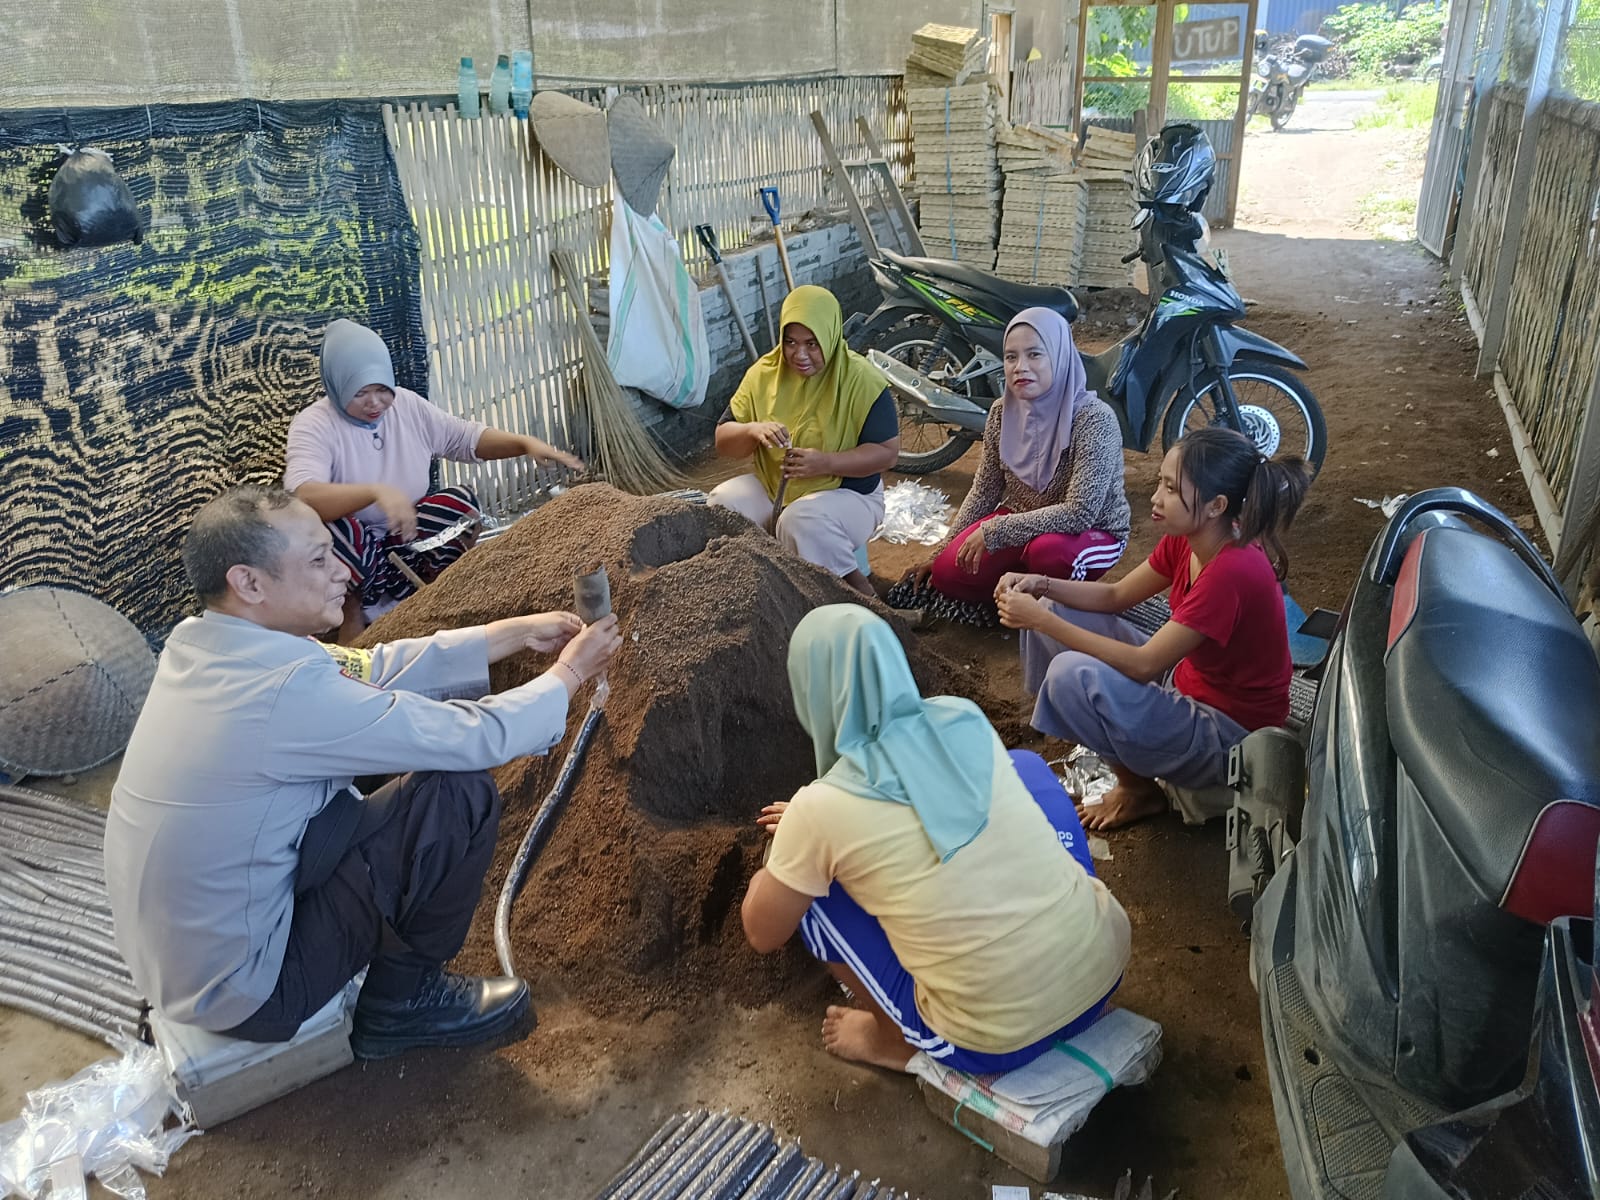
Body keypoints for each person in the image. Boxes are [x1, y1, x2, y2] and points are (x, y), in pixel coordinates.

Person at [103, 486, 622, 1059]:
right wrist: (569, 675)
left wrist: (513, 633)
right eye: (319, 560)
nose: (342, 572)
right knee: (458, 792)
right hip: (254, 991)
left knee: (380, 772)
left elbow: (367, 668)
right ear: (249, 583)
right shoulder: (280, 692)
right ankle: (404, 1003)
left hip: (187, 960)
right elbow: (474, 737)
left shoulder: (212, 646)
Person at [741, 605, 1130, 1073]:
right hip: (1103, 972)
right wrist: (816, 827)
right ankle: (1062, 925)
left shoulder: (817, 810)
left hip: (995, 1039)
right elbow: (926, 806)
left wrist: (795, 848)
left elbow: (762, 933)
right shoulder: (961, 717)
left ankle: (890, 1039)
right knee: (1025, 768)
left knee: (813, 902)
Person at [995, 427, 1310, 831]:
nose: (1156, 497)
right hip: (1187, 681)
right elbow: (1116, 597)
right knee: (1056, 608)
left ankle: (1136, 789)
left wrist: (1038, 618)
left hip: (1229, 736)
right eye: (1161, 482)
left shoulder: (1233, 570)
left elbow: (1144, 665)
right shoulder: (1191, 537)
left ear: (1216, 505)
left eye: (1171, 489)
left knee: (1070, 673)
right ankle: (1072, 718)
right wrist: (1041, 584)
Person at [284, 318, 583, 639]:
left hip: (406, 541)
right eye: (361, 392)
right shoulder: (313, 425)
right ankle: (351, 616)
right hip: (355, 561)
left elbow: (463, 438)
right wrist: (373, 492)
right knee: (336, 531)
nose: (375, 402)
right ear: (336, 384)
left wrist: (524, 444)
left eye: (382, 389)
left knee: (460, 504)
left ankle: (435, 591)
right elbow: (304, 496)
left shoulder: (407, 406)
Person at [892, 307, 1130, 624]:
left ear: (1059, 356)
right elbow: (985, 490)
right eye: (1010, 357)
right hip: (1023, 520)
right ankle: (1017, 598)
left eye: (1034, 354)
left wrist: (996, 530)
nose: (1020, 367)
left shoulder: (1093, 419)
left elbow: (1080, 512)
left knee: (1049, 553)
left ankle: (1060, 611)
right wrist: (938, 554)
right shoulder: (1001, 412)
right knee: (947, 573)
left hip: (1092, 532)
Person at [709, 286, 899, 596]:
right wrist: (753, 430)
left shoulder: (861, 380)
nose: (800, 354)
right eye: (791, 342)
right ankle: (758, 595)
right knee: (723, 503)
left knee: (801, 521)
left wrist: (825, 463)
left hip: (848, 494)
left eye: (812, 344)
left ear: (830, 335)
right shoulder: (764, 374)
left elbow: (887, 455)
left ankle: (862, 596)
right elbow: (722, 439)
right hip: (776, 490)